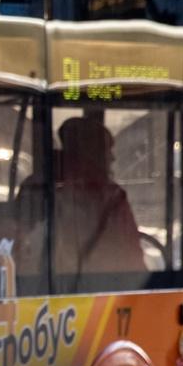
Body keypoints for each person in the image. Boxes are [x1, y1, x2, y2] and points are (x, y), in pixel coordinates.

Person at [48, 113, 148, 288]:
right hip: (110, 295)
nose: (112, 159)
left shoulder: (44, 196)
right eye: (107, 151)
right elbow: (134, 264)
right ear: (91, 156)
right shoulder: (114, 200)